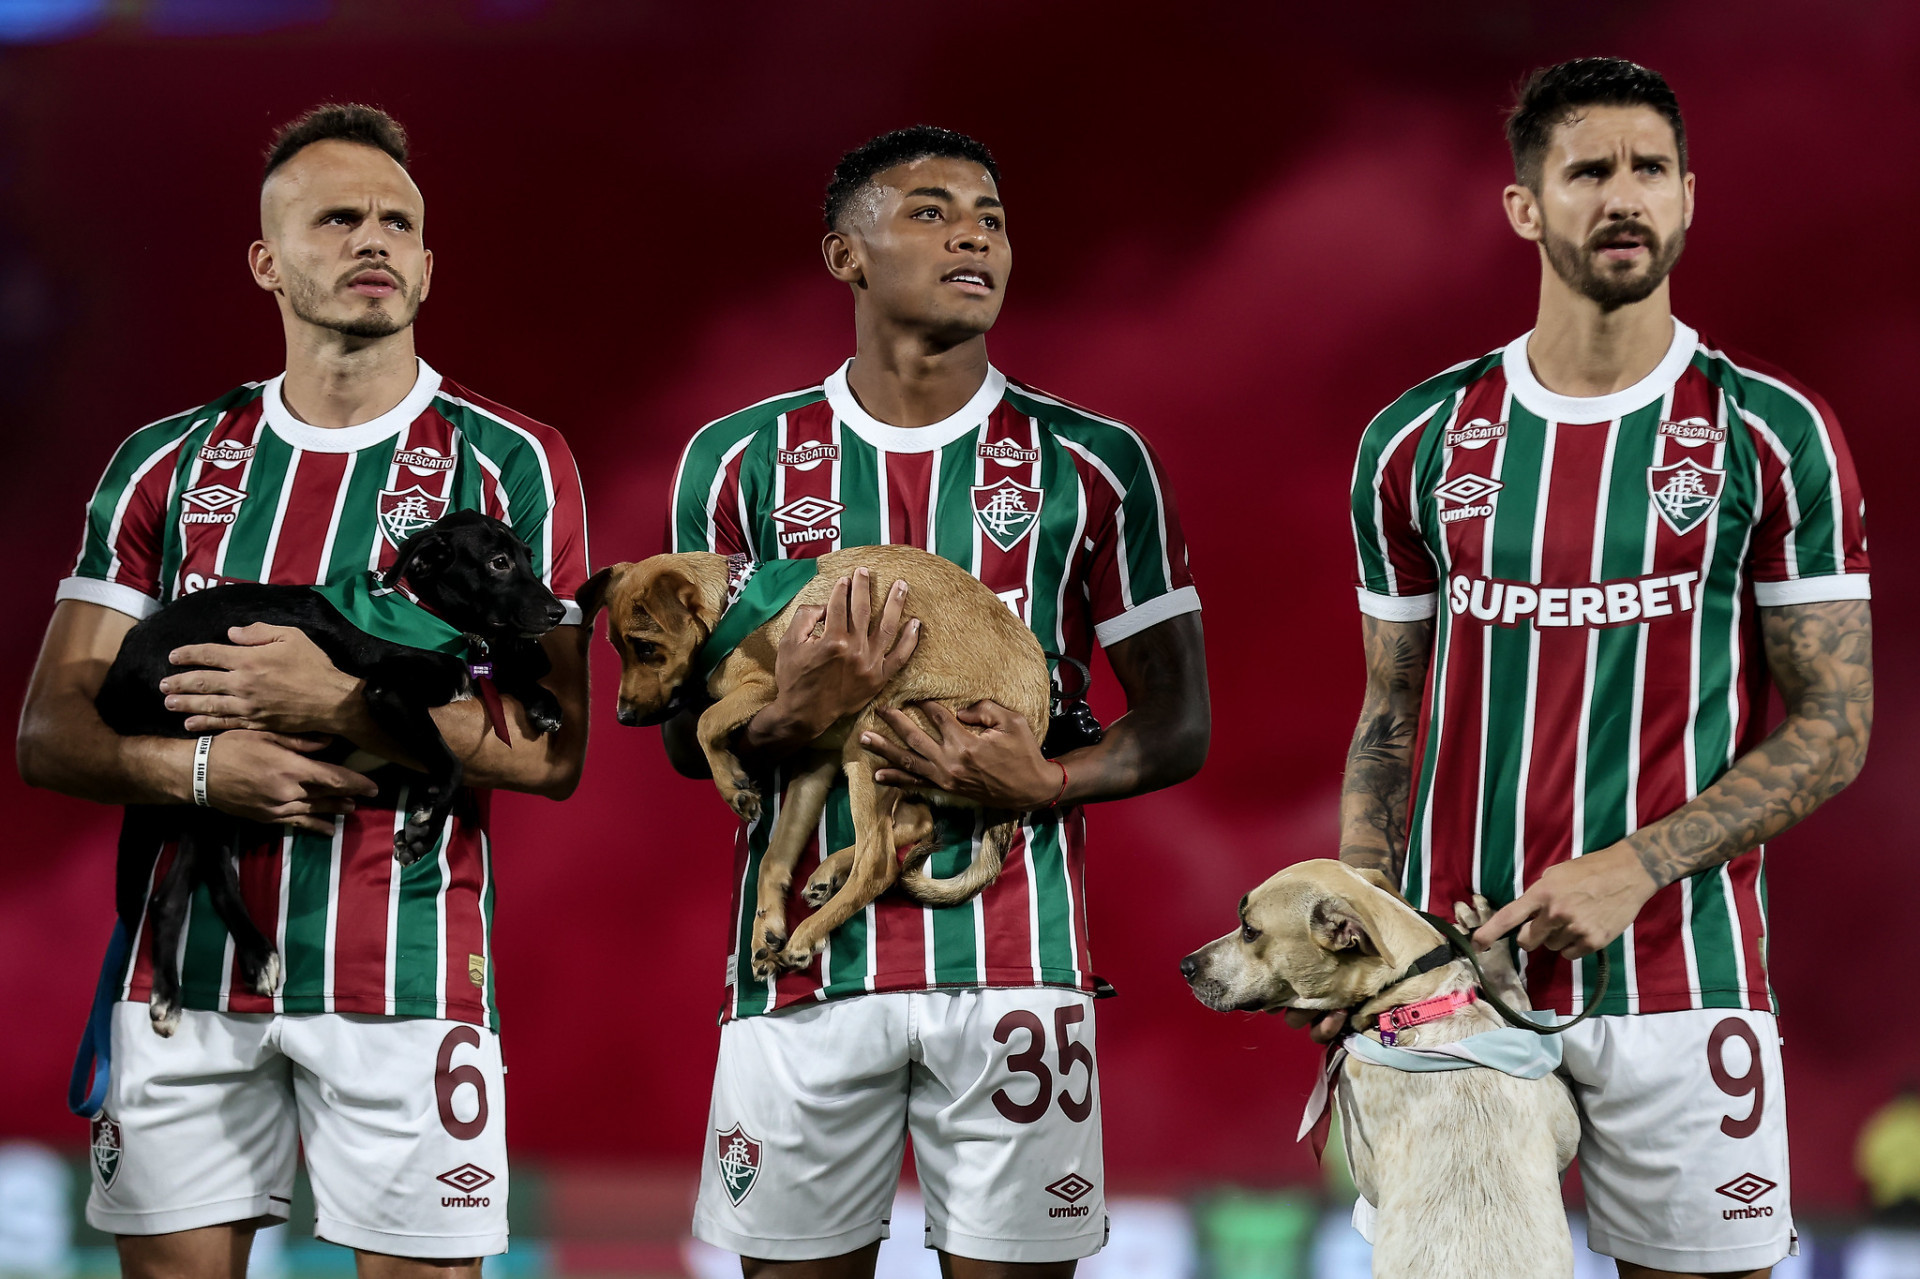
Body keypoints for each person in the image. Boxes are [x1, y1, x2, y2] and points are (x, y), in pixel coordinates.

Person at [1311, 58, 1872, 1279]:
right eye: (1588, 171)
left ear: (1687, 198)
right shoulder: (1417, 438)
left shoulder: (1773, 435)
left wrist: (1636, 866)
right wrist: (1359, 930)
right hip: (1455, 986)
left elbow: (1836, 725)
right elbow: (1388, 718)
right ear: (1526, 207)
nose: (1625, 196)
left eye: (1651, 170)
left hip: (1683, 973)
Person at [16, 104, 590, 1278]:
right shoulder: (167, 463)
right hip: (181, 979)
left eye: (398, 221)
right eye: (338, 218)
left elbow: (556, 749)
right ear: (268, 261)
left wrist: (342, 705)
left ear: (428, 263)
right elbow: (49, 730)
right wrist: (196, 769)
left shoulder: (514, 461)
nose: (372, 239)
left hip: (407, 971)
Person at [663, 126, 1210, 1278]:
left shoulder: (1094, 462)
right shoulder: (738, 462)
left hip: (1018, 968)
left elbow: (1178, 725)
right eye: (929, 210)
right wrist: (792, 708)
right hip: (803, 978)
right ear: (843, 255)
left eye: (992, 216)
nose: (974, 232)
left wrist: (1050, 778)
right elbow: (683, 740)